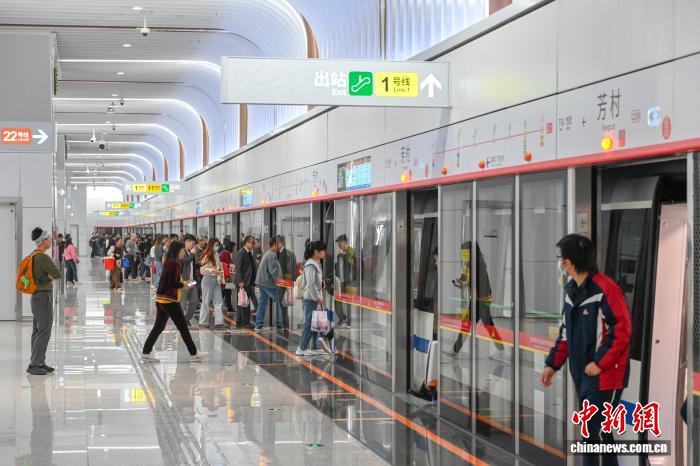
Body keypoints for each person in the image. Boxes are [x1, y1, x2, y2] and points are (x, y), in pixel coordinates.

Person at [541, 234, 631, 466]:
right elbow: (565, 334)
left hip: (606, 375)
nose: (560, 262)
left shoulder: (606, 289)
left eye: (561, 258)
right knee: (599, 433)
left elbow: (622, 330)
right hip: (583, 374)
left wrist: (599, 363)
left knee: (592, 434)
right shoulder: (572, 292)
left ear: (570, 262)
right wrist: (552, 365)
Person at [141, 240, 208, 363]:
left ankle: (145, 353)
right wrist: (184, 285)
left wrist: (182, 283)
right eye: (183, 250)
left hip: (161, 299)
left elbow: (170, 280)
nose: (183, 252)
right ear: (178, 250)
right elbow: (172, 282)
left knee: (158, 327)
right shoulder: (174, 263)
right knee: (183, 327)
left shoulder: (169, 262)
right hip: (169, 300)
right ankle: (194, 354)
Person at [25, 227, 62, 375]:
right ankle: (35, 364)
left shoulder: (33, 255)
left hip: (36, 297)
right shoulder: (42, 257)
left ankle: (38, 361)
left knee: (37, 330)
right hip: (43, 296)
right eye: (48, 238)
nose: (50, 240)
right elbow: (57, 273)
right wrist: (49, 277)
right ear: (43, 240)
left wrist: (47, 277)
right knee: (44, 330)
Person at [296, 240, 327, 356]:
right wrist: (317, 298)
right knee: (309, 324)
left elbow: (315, 282)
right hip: (311, 299)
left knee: (316, 323)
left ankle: (315, 347)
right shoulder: (310, 265)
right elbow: (310, 284)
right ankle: (301, 348)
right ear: (316, 252)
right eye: (322, 250)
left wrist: (321, 284)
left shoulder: (316, 264)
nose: (324, 252)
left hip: (314, 298)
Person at [254, 238, 283, 331]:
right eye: (279, 244)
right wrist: (279, 283)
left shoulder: (268, 253)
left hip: (263, 282)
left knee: (262, 303)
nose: (280, 246)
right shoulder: (271, 255)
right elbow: (273, 271)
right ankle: (280, 324)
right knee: (278, 300)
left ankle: (258, 324)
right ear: (274, 244)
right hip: (267, 283)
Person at [198, 238, 226, 328]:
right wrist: (213, 271)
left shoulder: (216, 255)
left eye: (218, 245)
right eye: (215, 245)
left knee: (218, 301)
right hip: (207, 280)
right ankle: (203, 322)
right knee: (206, 301)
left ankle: (219, 322)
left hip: (216, 280)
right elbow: (202, 270)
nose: (217, 247)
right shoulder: (207, 255)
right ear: (211, 245)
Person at [233, 235, 258, 329]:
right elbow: (238, 268)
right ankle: (245, 322)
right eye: (252, 243)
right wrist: (241, 280)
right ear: (246, 242)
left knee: (242, 302)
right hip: (243, 281)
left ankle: (239, 321)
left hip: (249, 281)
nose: (253, 245)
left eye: (254, 243)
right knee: (244, 303)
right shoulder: (242, 252)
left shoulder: (249, 252)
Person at [334, 234, 356, 328]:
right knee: (337, 301)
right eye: (338, 244)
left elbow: (350, 262)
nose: (338, 245)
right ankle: (342, 318)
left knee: (348, 302)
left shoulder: (351, 251)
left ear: (345, 243)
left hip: (349, 281)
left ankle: (349, 322)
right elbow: (338, 266)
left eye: (340, 243)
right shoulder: (339, 254)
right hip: (340, 281)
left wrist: (343, 255)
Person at [276, 235, 296, 330]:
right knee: (282, 302)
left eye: (277, 243)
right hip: (280, 282)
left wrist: (291, 282)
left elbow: (292, 268)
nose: (276, 245)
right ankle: (283, 321)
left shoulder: (288, 253)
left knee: (283, 303)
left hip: (284, 282)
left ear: (281, 243)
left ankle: (284, 322)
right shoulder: (277, 253)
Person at [180, 234, 199, 323]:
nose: (193, 246)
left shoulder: (190, 252)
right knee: (183, 303)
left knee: (194, 301)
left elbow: (193, 265)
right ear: (187, 242)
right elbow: (186, 261)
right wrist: (192, 254)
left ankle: (186, 319)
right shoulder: (181, 252)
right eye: (192, 243)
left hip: (192, 281)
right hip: (184, 281)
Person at [220, 241, 235, 313]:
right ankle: (229, 307)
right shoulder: (226, 254)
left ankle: (228, 306)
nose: (234, 249)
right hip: (226, 277)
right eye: (233, 247)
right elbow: (227, 265)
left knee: (226, 292)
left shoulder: (224, 253)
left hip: (226, 276)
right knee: (227, 292)